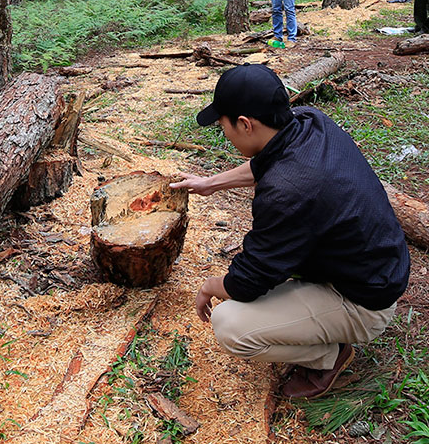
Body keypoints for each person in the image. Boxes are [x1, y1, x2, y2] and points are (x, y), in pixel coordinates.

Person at [170, 64, 410, 399]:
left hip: (364, 301)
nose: (224, 134)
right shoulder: (308, 122)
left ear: (244, 124)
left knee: (229, 324)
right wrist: (210, 183)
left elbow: (248, 281)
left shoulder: (288, 191)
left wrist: (209, 286)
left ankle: (329, 355)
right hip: (373, 266)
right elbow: (268, 162)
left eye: (223, 126)